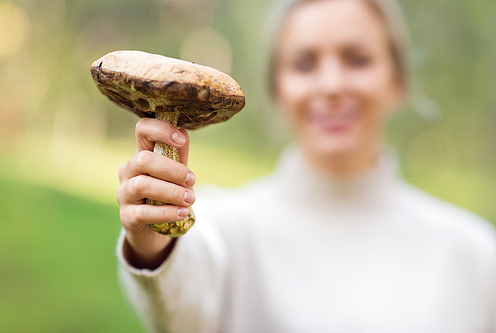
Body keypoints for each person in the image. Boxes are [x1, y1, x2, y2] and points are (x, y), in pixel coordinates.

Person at [115, 0, 496, 332]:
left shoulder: (475, 254)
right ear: (277, 88)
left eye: (357, 59)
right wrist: (154, 244)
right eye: (304, 63)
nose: (331, 85)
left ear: (396, 80)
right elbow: (181, 313)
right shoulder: (221, 225)